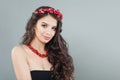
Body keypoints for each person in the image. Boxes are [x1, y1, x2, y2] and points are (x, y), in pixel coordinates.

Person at [11, 6, 74, 80]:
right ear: (34, 25)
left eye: (53, 28)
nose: (49, 32)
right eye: (44, 25)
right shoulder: (20, 51)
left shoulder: (59, 54)